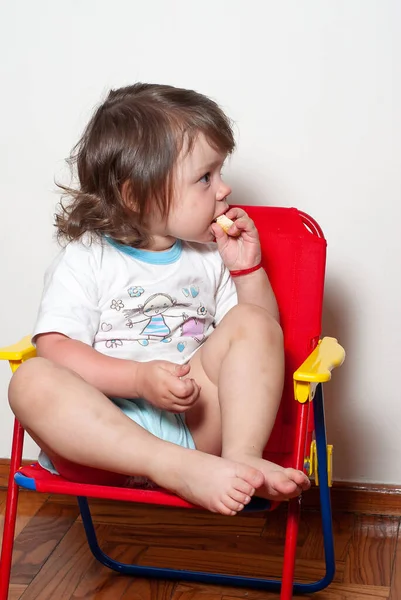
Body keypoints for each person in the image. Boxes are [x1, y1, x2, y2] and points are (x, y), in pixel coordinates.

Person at [8, 83, 310, 516]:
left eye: (220, 173)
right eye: (205, 177)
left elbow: (260, 340)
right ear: (136, 195)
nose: (224, 190)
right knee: (31, 379)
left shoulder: (209, 256)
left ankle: (242, 457)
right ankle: (172, 466)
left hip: (196, 426)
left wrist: (246, 269)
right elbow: (56, 349)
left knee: (254, 322)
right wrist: (137, 380)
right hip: (100, 441)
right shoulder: (86, 259)